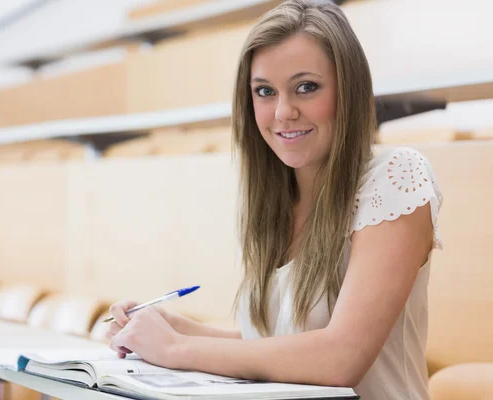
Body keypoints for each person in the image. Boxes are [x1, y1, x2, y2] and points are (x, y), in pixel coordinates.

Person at [106, 0, 443, 398]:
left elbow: (340, 356)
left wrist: (177, 348)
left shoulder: (396, 175)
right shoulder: (274, 199)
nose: (283, 112)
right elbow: (275, 346)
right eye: (264, 91)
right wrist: (175, 329)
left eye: (306, 87)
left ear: (348, 90)